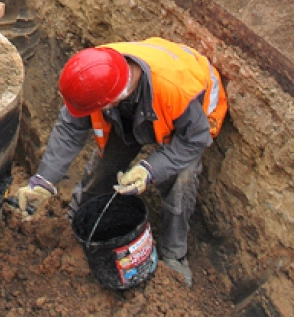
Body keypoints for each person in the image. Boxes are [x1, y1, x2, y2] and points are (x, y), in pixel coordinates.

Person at [16, 37, 228, 288]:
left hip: (191, 118)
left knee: (182, 179)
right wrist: (44, 180)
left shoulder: (177, 92)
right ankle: (80, 216)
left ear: (111, 101)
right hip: (136, 109)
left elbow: (195, 139)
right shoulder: (93, 72)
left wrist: (150, 169)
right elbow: (69, 128)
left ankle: (174, 253)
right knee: (105, 166)